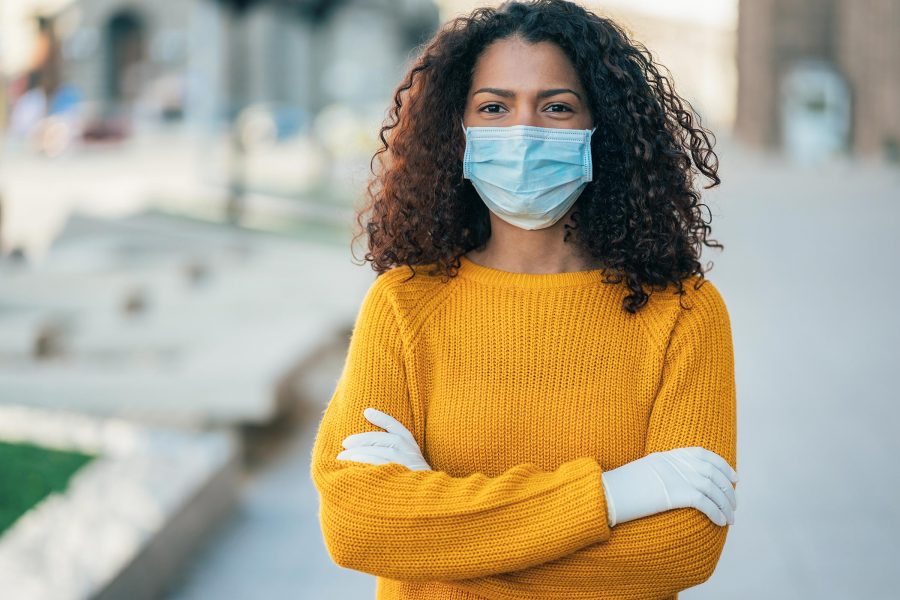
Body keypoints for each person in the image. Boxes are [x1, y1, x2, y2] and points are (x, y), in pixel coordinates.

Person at [309, 1, 738, 598]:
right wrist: (612, 496)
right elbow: (356, 526)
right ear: (455, 131)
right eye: (494, 107)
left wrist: (436, 540)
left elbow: (680, 549)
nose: (523, 132)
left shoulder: (683, 312)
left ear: (602, 128)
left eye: (556, 107)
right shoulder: (404, 304)